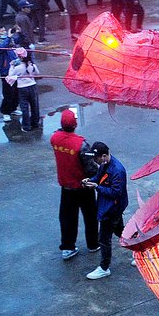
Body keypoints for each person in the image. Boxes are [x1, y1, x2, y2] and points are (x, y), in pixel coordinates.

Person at [52, 108, 98, 261]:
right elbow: (91, 169)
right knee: (90, 216)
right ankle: (93, 244)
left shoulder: (55, 139)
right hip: (84, 187)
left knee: (67, 218)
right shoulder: (82, 144)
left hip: (66, 187)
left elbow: (59, 133)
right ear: (75, 124)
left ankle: (67, 247)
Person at [84, 142, 128, 280]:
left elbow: (115, 192)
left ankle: (104, 267)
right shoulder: (104, 165)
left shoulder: (117, 170)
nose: (94, 161)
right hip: (109, 206)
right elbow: (98, 178)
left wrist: (97, 187)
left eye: (96, 158)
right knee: (120, 231)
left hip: (112, 209)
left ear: (104, 156)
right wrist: (90, 181)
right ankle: (141, 250)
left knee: (104, 239)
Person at [6, 46, 41, 131]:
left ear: (18, 56)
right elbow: (37, 73)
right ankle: (35, 123)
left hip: (22, 88)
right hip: (32, 86)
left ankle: (26, 126)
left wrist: (11, 66)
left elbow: (10, 76)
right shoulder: (32, 65)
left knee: (24, 108)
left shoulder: (18, 68)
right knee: (34, 106)